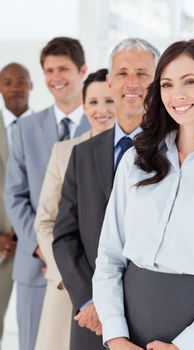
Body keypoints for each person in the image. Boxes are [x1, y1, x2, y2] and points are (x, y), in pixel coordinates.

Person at [93, 38, 194, 350]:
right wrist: (116, 337)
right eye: (167, 84)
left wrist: (187, 345)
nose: (177, 95)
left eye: (190, 81)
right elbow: (109, 257)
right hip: (129, 330)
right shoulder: (137, 159)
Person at [52, 38, 160, 350]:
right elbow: (65, 236)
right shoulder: (82, 155)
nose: (132, 83)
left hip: (149, 319)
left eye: (142, 74)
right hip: (92, 320)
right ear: (109, 81)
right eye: (122, 73)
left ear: (157, 82)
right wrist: (91, 299)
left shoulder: (175, 153)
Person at [3, 37, 90, 350]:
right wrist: (42, 246)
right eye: (49, 70)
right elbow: (14, 195)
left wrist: (67, 254)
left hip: (83, 269)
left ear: (82, 70)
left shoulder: (101, 126)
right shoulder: (26, 129)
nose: (56, 77)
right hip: (34, 267)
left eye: (63, 68)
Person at [34, 68, 115, 350]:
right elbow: (46, 221)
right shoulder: (66, 151)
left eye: (109, 101)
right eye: (93, 102)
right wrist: (71, 275)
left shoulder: (136, 152)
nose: (101, 110)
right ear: (83, 106)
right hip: (69, 286)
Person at [0, 63, 32, 349]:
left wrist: (31, 233)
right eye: (8, 82)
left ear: (31, 85)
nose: (15, 88)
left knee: (33, 331)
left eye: (21, 81)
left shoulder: (47, 127)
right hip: (0, 246)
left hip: (35, 248)